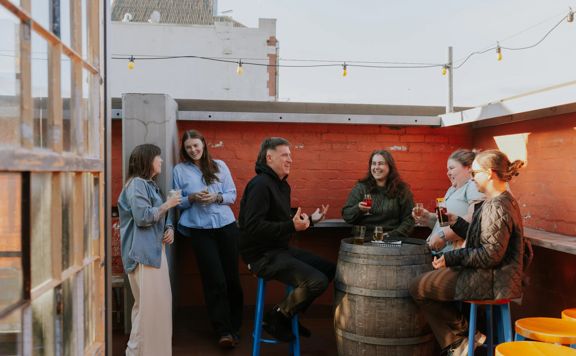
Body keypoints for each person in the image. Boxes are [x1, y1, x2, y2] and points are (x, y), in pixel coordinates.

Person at [409, 149, 532, 355]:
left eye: (475, 173)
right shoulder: (498, 201)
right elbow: (479, 237)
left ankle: (460, 340)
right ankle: (463, 341)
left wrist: (450, 258)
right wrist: (456, 222)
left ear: (490, 173)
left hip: (492, 280)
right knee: (420, 284)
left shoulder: (497, 206)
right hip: (490, 275)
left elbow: (490, 254)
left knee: (416, 287)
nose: (472, 179)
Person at [238, 137, 334, 342]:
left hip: (279, 250)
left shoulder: (282, 185)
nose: (290, 159)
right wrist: (292, 226)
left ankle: (289, 315)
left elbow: (283, 221)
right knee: (317, 281)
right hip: (260, 257)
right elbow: (253, 228)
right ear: (269, 157)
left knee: (329, 269)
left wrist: (310, 220)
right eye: (285, 155)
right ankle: (277, 317)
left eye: (290, 155)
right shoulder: (260, 185)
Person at [172, 129, 244, 348]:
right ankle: (223, 331)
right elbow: (176, 200)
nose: (193, 150)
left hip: (226, 226)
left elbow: (232, 194)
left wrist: (217, 197)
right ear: (184, 150)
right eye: (188, 147)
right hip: (200, 230)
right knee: (215, 280)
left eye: (196, 145)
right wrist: (191, 198)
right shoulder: (179, 170)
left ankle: (236, 326)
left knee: (232, 278)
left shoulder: (220, 166)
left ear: (203, 144)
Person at [118, 144, 181, 356]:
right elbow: (143, 217)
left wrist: (170, 227)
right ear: (147, 161)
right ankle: (135, 353)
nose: (161, 161)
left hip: (154, 252)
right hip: (143, 255)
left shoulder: (149, 185)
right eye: (158, 157)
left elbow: (161, 215)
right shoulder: (137, 184)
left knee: (153, 309)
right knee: (148, 311)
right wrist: (168, 204)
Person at [412, 149, 485, 254]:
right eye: (447, 169)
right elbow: (444, 223)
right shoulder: (451, 190)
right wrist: (428, 217)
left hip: (454, 255)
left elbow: (474, 219)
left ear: (469, 168)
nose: (448, 173)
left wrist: (443, 236)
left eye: (452, 168)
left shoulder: (472, 186)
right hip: (440, 254)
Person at [342, 149, 415, 238]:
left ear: (389, 166)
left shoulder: (402, 189)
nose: (376, 167)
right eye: (373, 163)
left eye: (380, 163)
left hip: (391, 240)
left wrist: (391, 235)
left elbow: (409, 219)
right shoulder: (361, 187)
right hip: (363, 240)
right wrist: (358, 208)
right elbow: (347, 215)